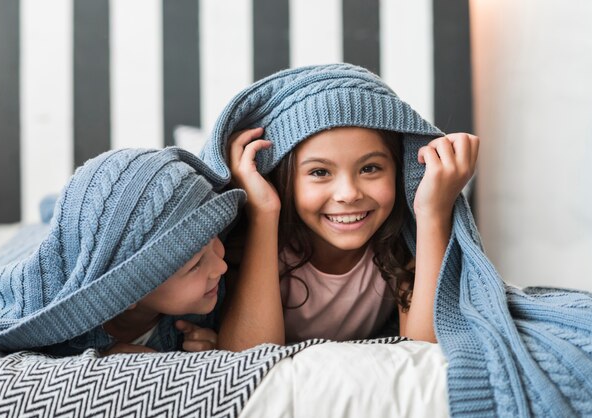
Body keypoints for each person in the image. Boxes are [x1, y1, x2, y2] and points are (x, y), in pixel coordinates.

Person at [197, 63, 478, 351]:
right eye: (320, 172)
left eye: (370, 168)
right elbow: (248, 356)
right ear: (283, 180)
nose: (348, 194)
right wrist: (263, 214)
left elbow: (424, 352)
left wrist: (433, 213)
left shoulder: (399, 246)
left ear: (399, 170)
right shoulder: (256, 248)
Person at [0, 147, 245, 355]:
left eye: (214, 240)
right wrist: (103, 356)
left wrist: (216, 342)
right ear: (128, 291)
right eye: (196, 264)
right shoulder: (53, 328)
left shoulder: (206, 302)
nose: (220, 267)